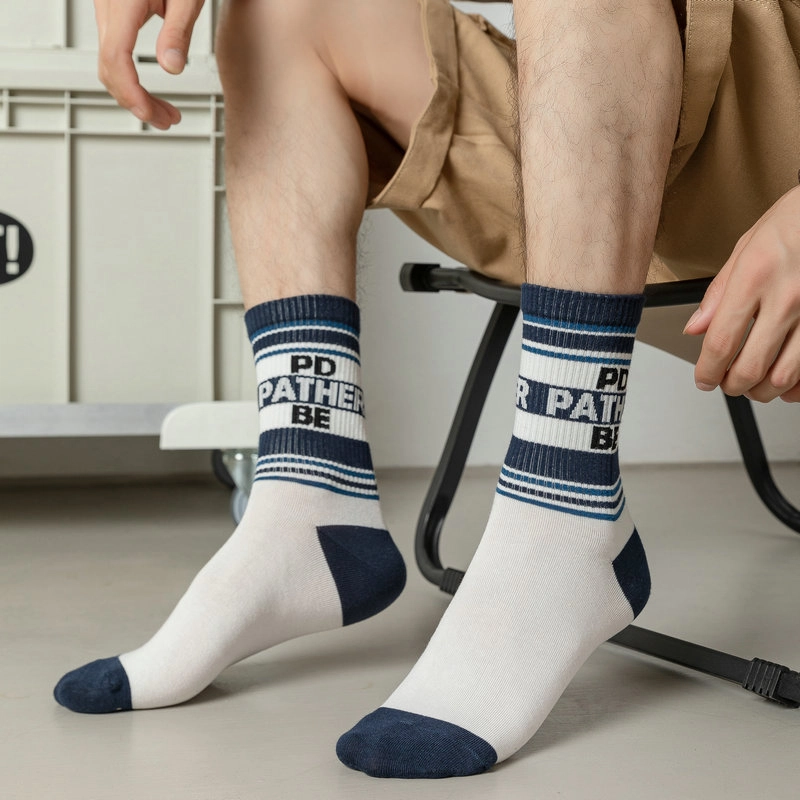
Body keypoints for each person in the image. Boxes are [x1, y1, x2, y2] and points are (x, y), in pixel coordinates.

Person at [54, 0, 800, 779]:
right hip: (600, 143)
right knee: (273, 10)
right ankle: (308, 497)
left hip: (774, 176)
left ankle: (564, 516)